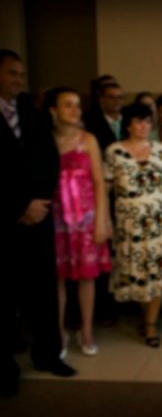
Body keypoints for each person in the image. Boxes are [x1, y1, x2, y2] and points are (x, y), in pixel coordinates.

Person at [1, 49, 76, 397]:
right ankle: (5, 370)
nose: (19, 79)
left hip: (39, 217)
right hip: (7, 218)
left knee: (43, 292)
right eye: (12, 73)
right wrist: (19, 206)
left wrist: (41, 202)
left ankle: (48, 355)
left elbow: (50, 161)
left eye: (21, 73)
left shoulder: (31, 114)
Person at [104, 103, 162, 348]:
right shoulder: (114, 151)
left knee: (159, 270)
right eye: (138, 121)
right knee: (137, 272)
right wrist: (105, 218)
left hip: (160, 220)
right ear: (128, 124)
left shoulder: (161, 150)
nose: (144, 126)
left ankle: (151, 323)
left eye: (147, 122)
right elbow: (105, 188)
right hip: (129, 222)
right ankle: (147, 316)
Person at [46, 87, 112, 357]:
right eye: (67, 105)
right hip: (56, 218)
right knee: (57, 278)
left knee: (87, 277)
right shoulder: (46, 140)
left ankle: (86, 331)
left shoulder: (89, 139)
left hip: (85, 218)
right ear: (53, 110)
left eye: (77, 105)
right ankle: (59, 333)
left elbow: (99, 182)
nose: (74, 110)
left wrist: (102, 220)